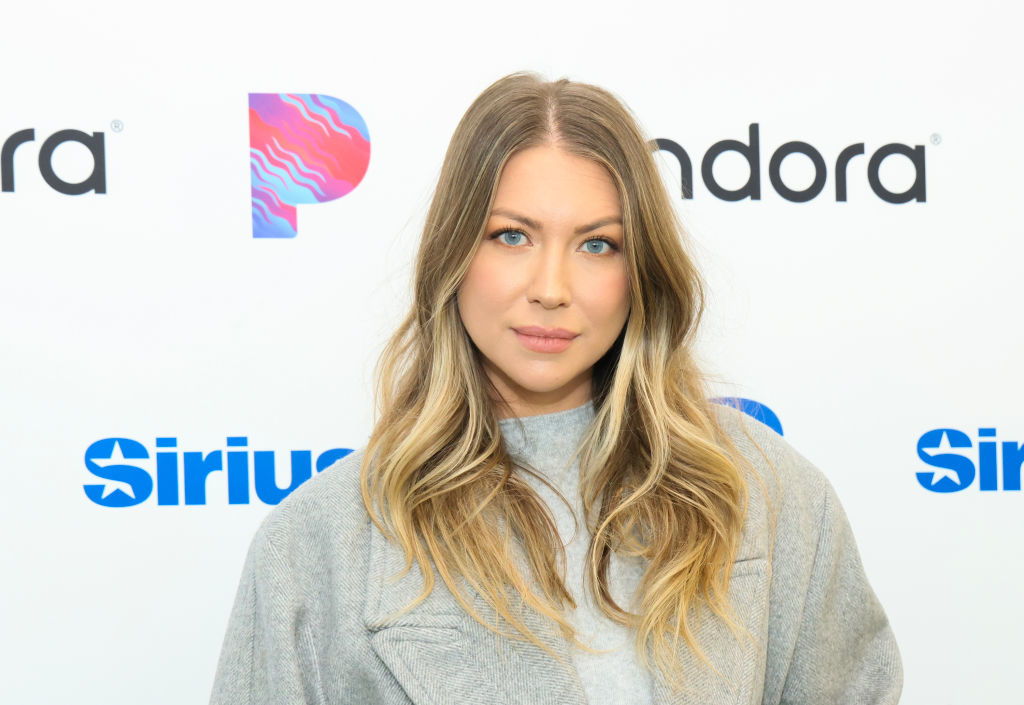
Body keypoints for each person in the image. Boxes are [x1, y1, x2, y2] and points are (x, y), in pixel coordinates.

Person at [210, 72, 902, 705]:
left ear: (641, 271)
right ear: (454, 254)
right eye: (511, 236)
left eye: (597, 244)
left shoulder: (771, 498)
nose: (550, 289)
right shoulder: (317, 546)